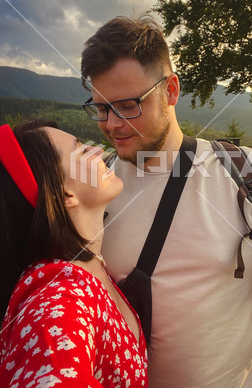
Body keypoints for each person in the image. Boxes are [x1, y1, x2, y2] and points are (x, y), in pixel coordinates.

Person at [80, 15, 252, 387]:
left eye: (128, 105)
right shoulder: (94, 189)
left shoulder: (247, 176)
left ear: (171, 91)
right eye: (101, 108)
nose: (112, 124)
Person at [0, 120, 148, 387]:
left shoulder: (89, 269)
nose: (99, 151)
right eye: (81, 151)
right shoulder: (58, 305)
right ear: (65, 194)